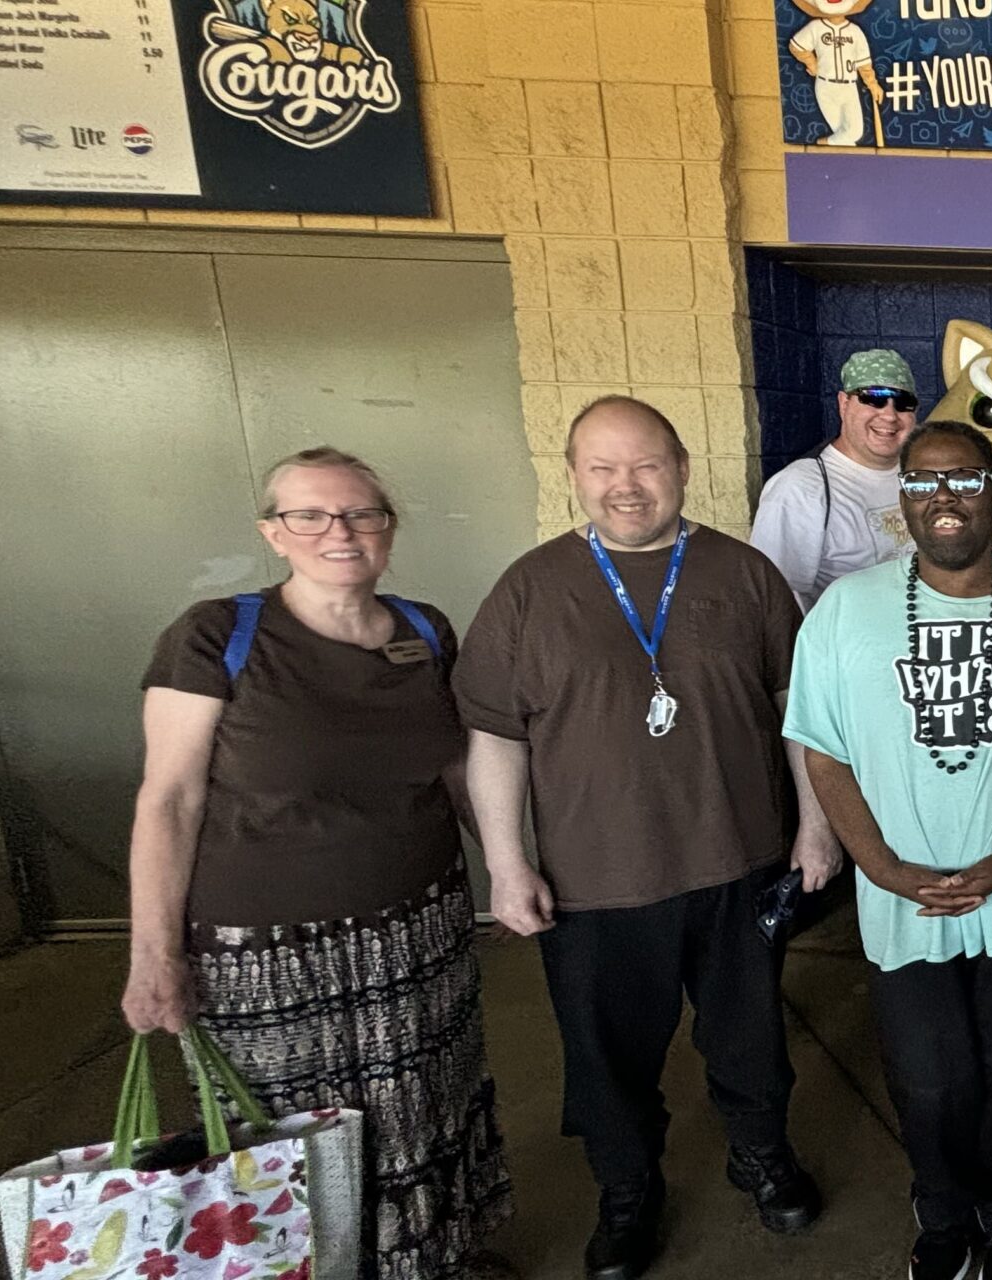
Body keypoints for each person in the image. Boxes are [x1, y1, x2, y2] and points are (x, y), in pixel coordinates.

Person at [457, 397, 830, 1280]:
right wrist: (506, 866)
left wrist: (817, 829)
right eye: (603, 467)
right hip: (595, 880)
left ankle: (759, 1153)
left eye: (647, 465)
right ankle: (628, 1192)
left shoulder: (743, 576)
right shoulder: (529, 589)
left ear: (683, 467)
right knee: (606, 1059)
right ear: (574, 473)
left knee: (749, 1040)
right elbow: (496, 736)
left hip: (738, 862)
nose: (627, 487)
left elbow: (801, 719)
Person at [123, 448, 511, 1280]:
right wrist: (153, 954)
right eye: (311, 515)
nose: (340, 532)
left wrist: (511, 870)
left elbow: (456, 771)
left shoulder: (424, 631)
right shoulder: (217, 636)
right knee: (282, 1137)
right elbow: (170, 800)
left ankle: (429, 1262)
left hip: (419, 932)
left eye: (362, 514)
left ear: (388, 529)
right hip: (260, 952)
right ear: (275, 531)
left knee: (424, 1110)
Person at [783, 421, 992, 1280]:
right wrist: (881, 867)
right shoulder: (845, 610)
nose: (945, 497)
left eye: (966, 481)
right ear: (903, 499)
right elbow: (823, 749)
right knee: (929, 1081)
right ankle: (942, 1215)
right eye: (926, 481)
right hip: (903, 898)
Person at [750, 348, 920, 609]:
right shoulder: (799, 489)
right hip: (846, 645)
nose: (889, 415)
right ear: (844, 403)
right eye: (874, 398)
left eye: (903, 402)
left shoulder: (922, 474)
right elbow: (772, 600)